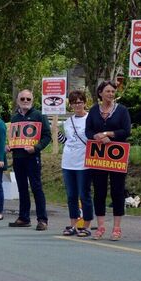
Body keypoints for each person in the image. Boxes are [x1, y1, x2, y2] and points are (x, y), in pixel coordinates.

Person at [85, 81, 131, 241]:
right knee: (99, 191)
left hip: (117, 156)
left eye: (113, 91)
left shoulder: (122, 110)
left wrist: (108, 134)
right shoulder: (93, 111)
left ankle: (117, 228)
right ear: (100, 93)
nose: (111, 94)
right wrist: (96, 136)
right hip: (98, 157)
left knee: (117, 191)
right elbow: (88, 131)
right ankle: (101, 226)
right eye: (107, 91)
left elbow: (126, 131)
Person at [8, 89, 51, 230]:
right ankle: (24, 217)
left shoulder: (39, 116)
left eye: (28, 99)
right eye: (22, 99)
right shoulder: (14, 118)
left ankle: (42, 219)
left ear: (32, 100)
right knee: (22, 188)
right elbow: (13, 139)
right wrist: (9, 146)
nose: (25, 101)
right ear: (18, 101)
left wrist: (36, 148)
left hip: (32, 158)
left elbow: (47, 136)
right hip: (18, 158)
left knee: (36, 187)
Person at [58, 91, 92, 237]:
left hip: (84, 162)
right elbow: (67, 141)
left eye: (80, 102)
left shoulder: (90, 118)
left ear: (84, 102)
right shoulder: (67, 122)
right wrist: (56, 134)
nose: (77, 105)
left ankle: (86, 225)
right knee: (71, 195)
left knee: (84, 195)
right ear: (70, 105)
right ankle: (73, 224)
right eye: (74, 103)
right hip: (68, 161)